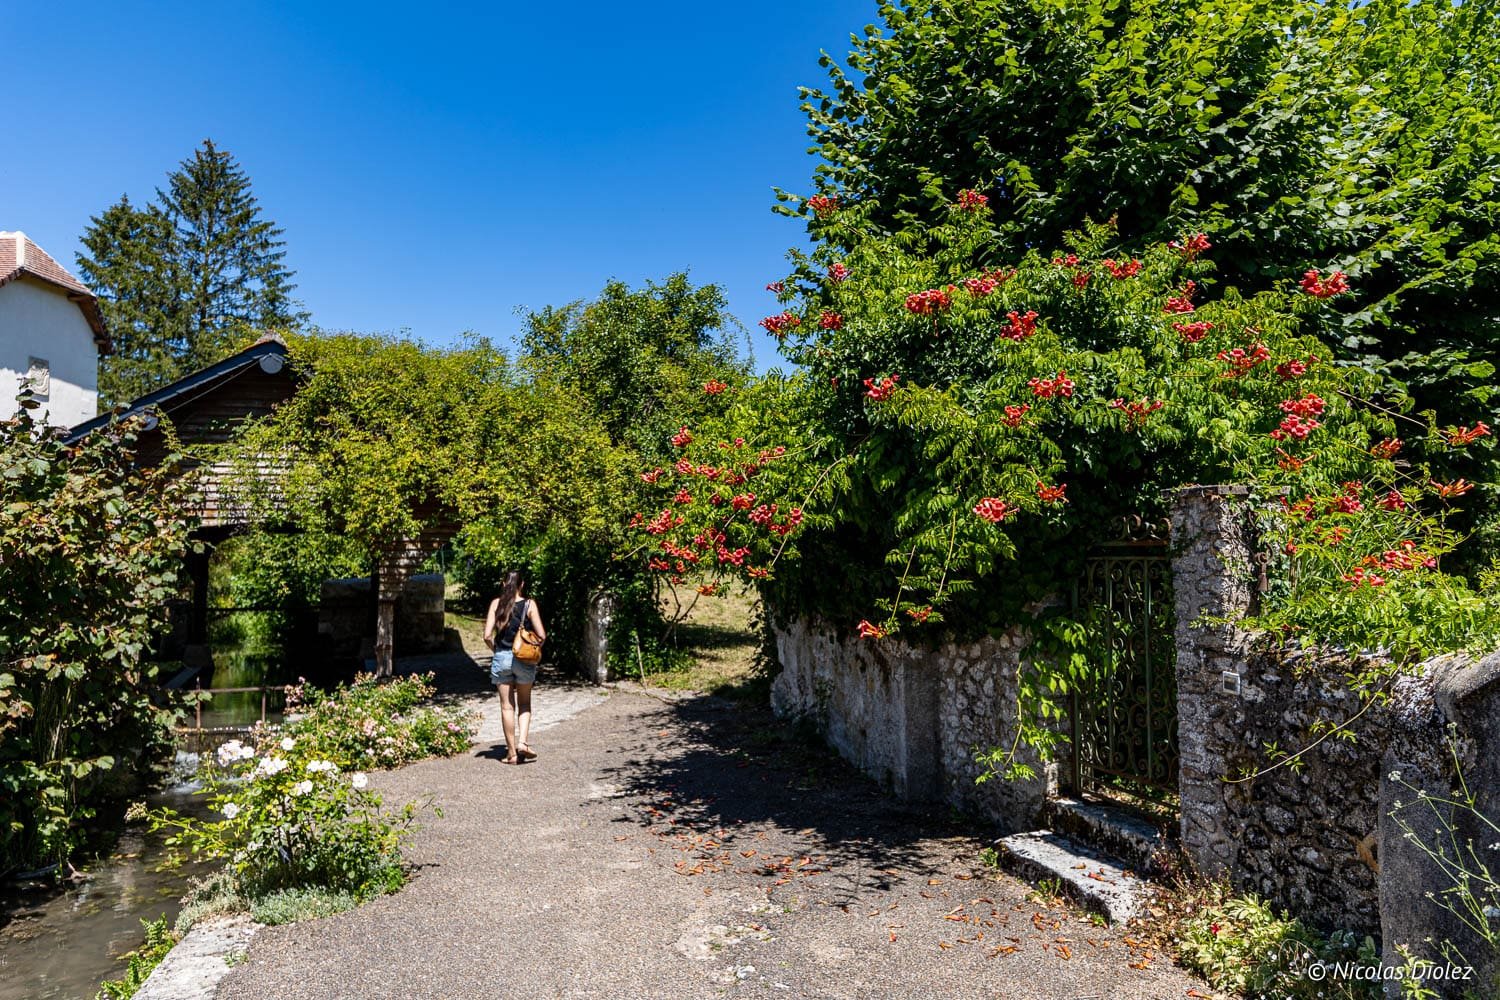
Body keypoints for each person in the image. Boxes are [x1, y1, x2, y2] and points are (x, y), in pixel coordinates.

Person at [482, 571, 547, 765]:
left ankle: (511, 754)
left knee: (506, 706)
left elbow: (486, 636)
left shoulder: (496, 604)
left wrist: (497, 651)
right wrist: (531, 651)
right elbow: (542, 635)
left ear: (503, 583)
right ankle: (523, 743)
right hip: (523, 659)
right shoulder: (529, 604)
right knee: (525, 704)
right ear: (522, 584)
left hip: (501, 657)